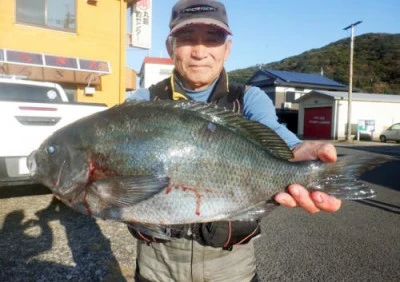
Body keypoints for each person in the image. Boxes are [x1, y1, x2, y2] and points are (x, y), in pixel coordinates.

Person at [126, 1, 341, 281]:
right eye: (187, 38)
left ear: (227, 49)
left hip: (230, 268)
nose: (200, 51)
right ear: (170, 47)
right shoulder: (142, 103)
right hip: (159, 267)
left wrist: (299, 151)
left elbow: (273, 131)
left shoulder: (248, 98)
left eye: (213, 39)